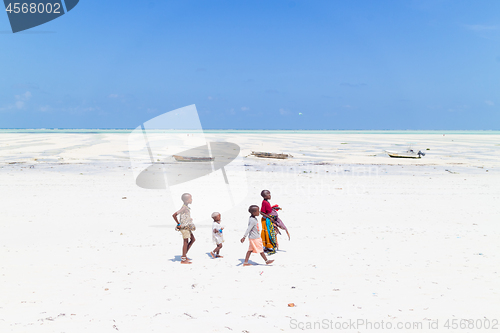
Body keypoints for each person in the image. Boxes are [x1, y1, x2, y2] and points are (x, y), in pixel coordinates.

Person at [172, 193, 196, 264]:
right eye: (190, 198)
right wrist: (178, 224)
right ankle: (183, 259)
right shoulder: (184, 208)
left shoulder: (186, 207)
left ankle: (184, 255)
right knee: (185, 241)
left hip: (187, 226)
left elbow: (184, 216)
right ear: (186, 200)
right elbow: (174, 215)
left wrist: (189, 219)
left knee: (193, 239)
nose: (191, 200)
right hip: (184, 227)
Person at [260, 190, 277, 254]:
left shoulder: (267, 202)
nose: (270, 196)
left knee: (269, 232)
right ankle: (268, 246)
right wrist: (270, 217)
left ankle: (268, 246)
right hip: (265, 220)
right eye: (268, 195)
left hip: (268, 219)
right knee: (267, 233)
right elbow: (261, 212)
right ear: (264, 196)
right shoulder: (264, 202)